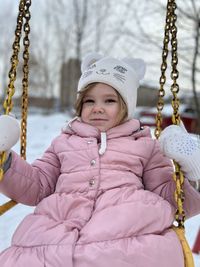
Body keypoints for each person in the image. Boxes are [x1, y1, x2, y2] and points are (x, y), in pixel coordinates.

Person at [0, 53, 200, 267]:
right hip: (56, 231)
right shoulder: (63, 142)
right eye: (89, 101)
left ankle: (194, 168)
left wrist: (190, 184)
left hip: (128, 227)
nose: (97, 107)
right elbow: (37, 186)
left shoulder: (144, 145)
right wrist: (6, 162)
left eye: (109, 100)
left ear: (126, 106)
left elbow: (171, 200)